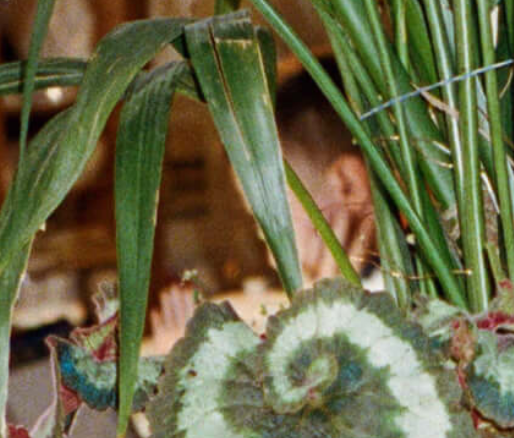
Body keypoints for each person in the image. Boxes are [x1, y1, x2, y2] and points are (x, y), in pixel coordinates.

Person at [148, 69, 378, 345]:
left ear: (347, 184)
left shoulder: (384, 324)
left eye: (269, 227)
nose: (271, 258)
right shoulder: (351, 299)